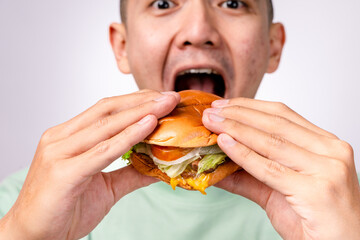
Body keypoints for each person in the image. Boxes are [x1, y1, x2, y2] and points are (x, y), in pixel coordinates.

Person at [0, 0, 359, 239]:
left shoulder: (342, 203)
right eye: (163, 3)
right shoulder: (23, 202)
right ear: (122, 47)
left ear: (273, 45)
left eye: (232, 2)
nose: (198, 31)